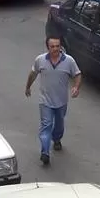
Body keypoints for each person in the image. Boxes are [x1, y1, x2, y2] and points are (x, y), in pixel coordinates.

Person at [24, 37, 82, 166]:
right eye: (52, 46)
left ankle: (57, 139)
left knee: (59, 125)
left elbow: (77, 74)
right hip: (45, 101)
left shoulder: (69, 61)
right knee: (46, 125)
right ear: (47, 48)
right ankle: (45, 152)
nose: (55, 49)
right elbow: (33, 74)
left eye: (57, 46)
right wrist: (28, 87)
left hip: (61, 102)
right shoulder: (40, 60)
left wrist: (76, 87)